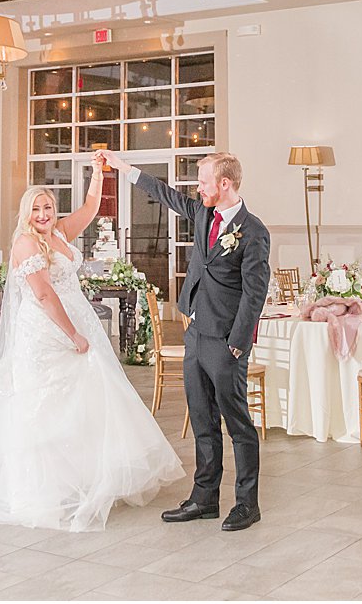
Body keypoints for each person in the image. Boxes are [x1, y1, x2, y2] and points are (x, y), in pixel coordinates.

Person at [0, 152, 183, 531]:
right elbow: (44, 296)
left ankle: (86, 479)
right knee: (47, 407)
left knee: (90, 401)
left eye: (47, 207)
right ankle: (43, 490)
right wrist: (73, 334)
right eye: (36, 209)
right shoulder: (26, 245)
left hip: (76, 321)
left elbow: (91, 208)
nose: (43, 214)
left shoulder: (59, 233)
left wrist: (97, 172)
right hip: (47, 333)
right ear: (26, 214)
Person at [100, 148, 270, 532]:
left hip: (226, 341)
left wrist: (237, 343)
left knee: (237, 423)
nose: (198, 188)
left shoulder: (254, 231)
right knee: (202, 421)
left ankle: (247, 503)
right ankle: (204, 497)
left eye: (204, 182)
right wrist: (122, 167)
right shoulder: (202, 213)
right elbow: (164, 193)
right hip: (195, 334)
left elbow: (254, 293)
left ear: (224, 184)